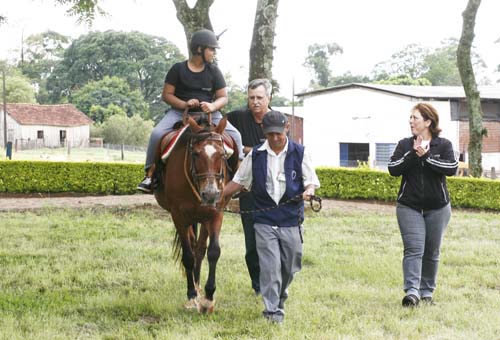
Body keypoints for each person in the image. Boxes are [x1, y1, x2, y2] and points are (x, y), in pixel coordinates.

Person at [221, 110, 320, 323]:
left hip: (291, 219)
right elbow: (239, 181)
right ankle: (272, 311)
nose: (275, 138)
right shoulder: (255, 154)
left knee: (291, 265)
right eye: (270, 134)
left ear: (286, 129)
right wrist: (217, 198)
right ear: (264, 132)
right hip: (264, 219)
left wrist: (309, 191)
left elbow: (310, 180)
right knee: (270, 266)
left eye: (279, 133)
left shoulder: (300, 152)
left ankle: (279, 296)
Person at [137, 29, 243, 193]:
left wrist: (212, 106)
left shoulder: (214, 71)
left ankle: (239, 175)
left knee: (236, 135)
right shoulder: (177, 69)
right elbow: (167, 95)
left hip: (209, 114)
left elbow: (223, 97)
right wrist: (184, 103)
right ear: (200, 49)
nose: (214, 53)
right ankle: (150, 175)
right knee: (157, 134)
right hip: (180, 112)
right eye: (212, 49)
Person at [388, 102, 458, 307]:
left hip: (439, 208)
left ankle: (426, 293)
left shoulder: (443, 145)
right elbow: (393, 168)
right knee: (413, 249)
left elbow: (451, 168)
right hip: (409, 207)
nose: (411, 121)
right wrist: (412, 153)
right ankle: (412, 293)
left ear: (428, 121)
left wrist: (425, 156)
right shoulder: (404, 144)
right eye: (410, 118)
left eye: (415, 117)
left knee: (432, 251)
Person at [226, 78, 272, 295]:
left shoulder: (277, 120)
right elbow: (220, 135)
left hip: (274, 194)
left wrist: (246, 149)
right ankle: (258, 286)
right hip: (247, 192)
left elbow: (275, 149)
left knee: (273, 243)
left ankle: (275, 282)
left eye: (259, 98)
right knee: (252, 245)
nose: (255, 102)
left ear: (268, 98)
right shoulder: (237, 117)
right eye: (251, 98)